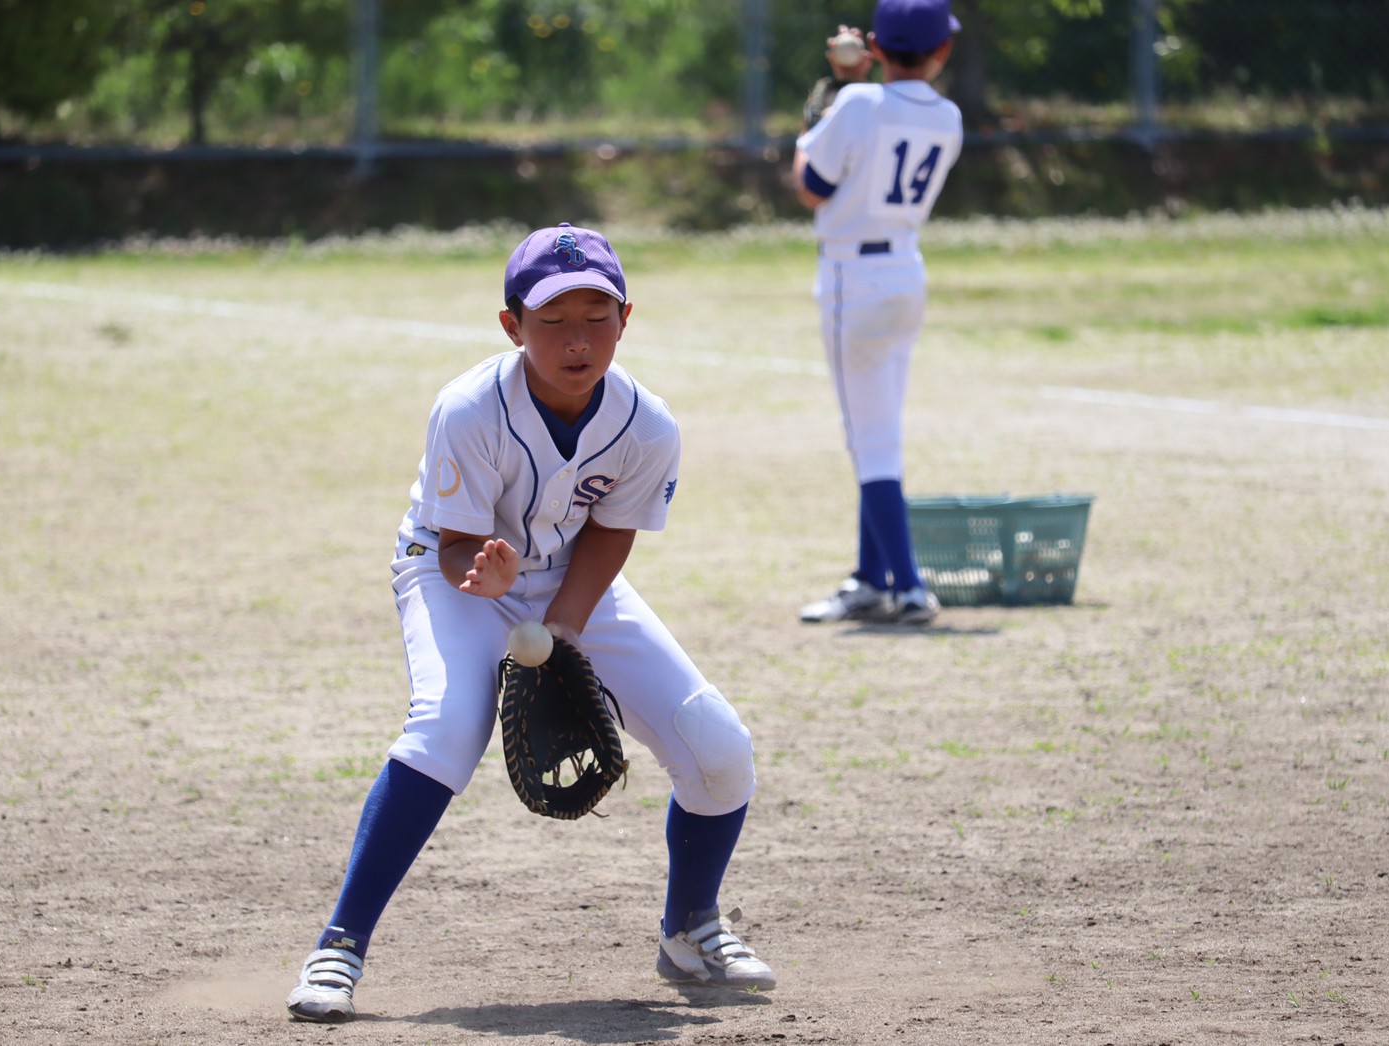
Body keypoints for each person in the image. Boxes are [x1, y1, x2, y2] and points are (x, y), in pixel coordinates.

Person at [284, 223, 776, 1023]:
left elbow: (612, 527)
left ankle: (691, 929)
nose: (576, 339)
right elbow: (453, 548)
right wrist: (486, 577)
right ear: (512, 326)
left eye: (596, 315)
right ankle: (339, 945)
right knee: (446, 728)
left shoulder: (646, 424)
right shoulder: (472, 408)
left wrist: (565, 629)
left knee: (719, 748)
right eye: (552, 320)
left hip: (570, 582)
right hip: (455, 575)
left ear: (626, 320)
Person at [792, 0, 963, 626]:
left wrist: (834, 97)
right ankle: (869, 577)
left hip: (850, 275)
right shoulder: (948, 114)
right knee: (878, 427)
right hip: (904, 271)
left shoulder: (859, 103)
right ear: (942, 51)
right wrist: (858, 86)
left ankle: (909, 586)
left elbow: (813, 185)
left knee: (870, 440)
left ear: (876, 46)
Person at [802, 24, 875, 131]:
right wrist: (857, 77)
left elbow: (809, 138)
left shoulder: (827, 96)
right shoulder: (880, 100)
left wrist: (844, 76)